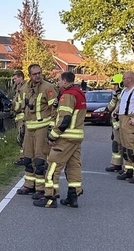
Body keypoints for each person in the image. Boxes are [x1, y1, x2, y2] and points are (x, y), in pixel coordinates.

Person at [35, 71, 86, 208]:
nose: (57, 83)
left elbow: (65, 118)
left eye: (59, 80)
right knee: (73, 166)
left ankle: (49, 197)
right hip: (76, 137)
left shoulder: (68, 95)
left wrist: (53, 135)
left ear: (64, 81)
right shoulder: (79, 93)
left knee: (52, 166)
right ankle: (73, 196)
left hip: (65, 138)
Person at [16, 63, 57, 198]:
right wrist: (22, 126)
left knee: (40, 160)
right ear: (29, 75)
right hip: (29, 128)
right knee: (28, 158)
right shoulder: (25, 88)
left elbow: (55, 109)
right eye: (35, 74)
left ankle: (40, 188)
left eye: (39, 73)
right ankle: (29, 185)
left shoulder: (48, 88)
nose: (38, 76)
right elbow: (21, 107)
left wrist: (51, 127)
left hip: (42, 127)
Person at [104, 74, 124, 172]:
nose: (114, 87)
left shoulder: (123, 95)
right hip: (116, 124)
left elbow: (117, 108)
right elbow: (109, 108)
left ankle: (119, 165)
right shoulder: (117, 95)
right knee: (116, 144)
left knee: (120, 145)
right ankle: (116, 164)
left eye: (115, 85)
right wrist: (114, 97)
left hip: (121, 124)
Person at [11, 70, 26, 165]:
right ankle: (23, 157)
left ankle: (23, 158)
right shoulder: (18, 88)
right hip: (19, 117)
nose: (14, 81)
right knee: (21, 138)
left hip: (22, 117)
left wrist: (12, 105)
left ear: (21, 78)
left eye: (15, 78)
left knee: (22, 138)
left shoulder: (24, 89)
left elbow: (22, 104)